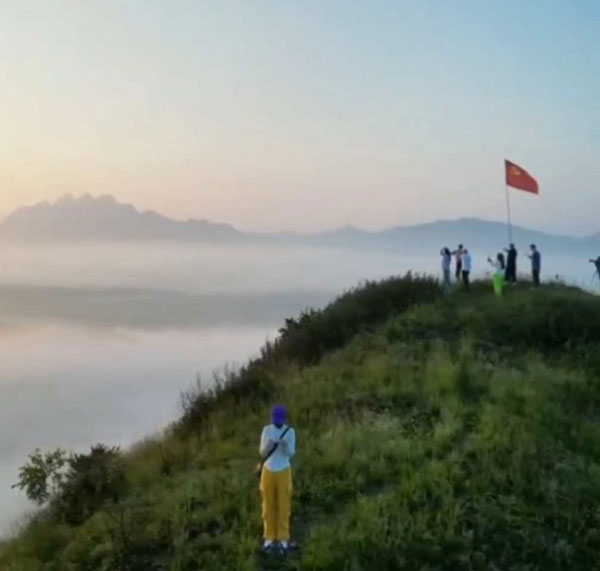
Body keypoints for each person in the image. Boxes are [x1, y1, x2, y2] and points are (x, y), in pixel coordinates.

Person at [259, 405, 296, 554]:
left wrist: (285, 445)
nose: (277, 423)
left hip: (284, 471)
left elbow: (291, 453)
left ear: (284, 419)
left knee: (283, 505)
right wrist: (269, 445)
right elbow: (262, 453)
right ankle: (269, 537)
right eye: (276, 420)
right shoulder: (267, 430)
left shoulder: (290, 432)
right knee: (268, 504)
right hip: (268, 471)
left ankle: (283, 537)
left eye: (280, 420)